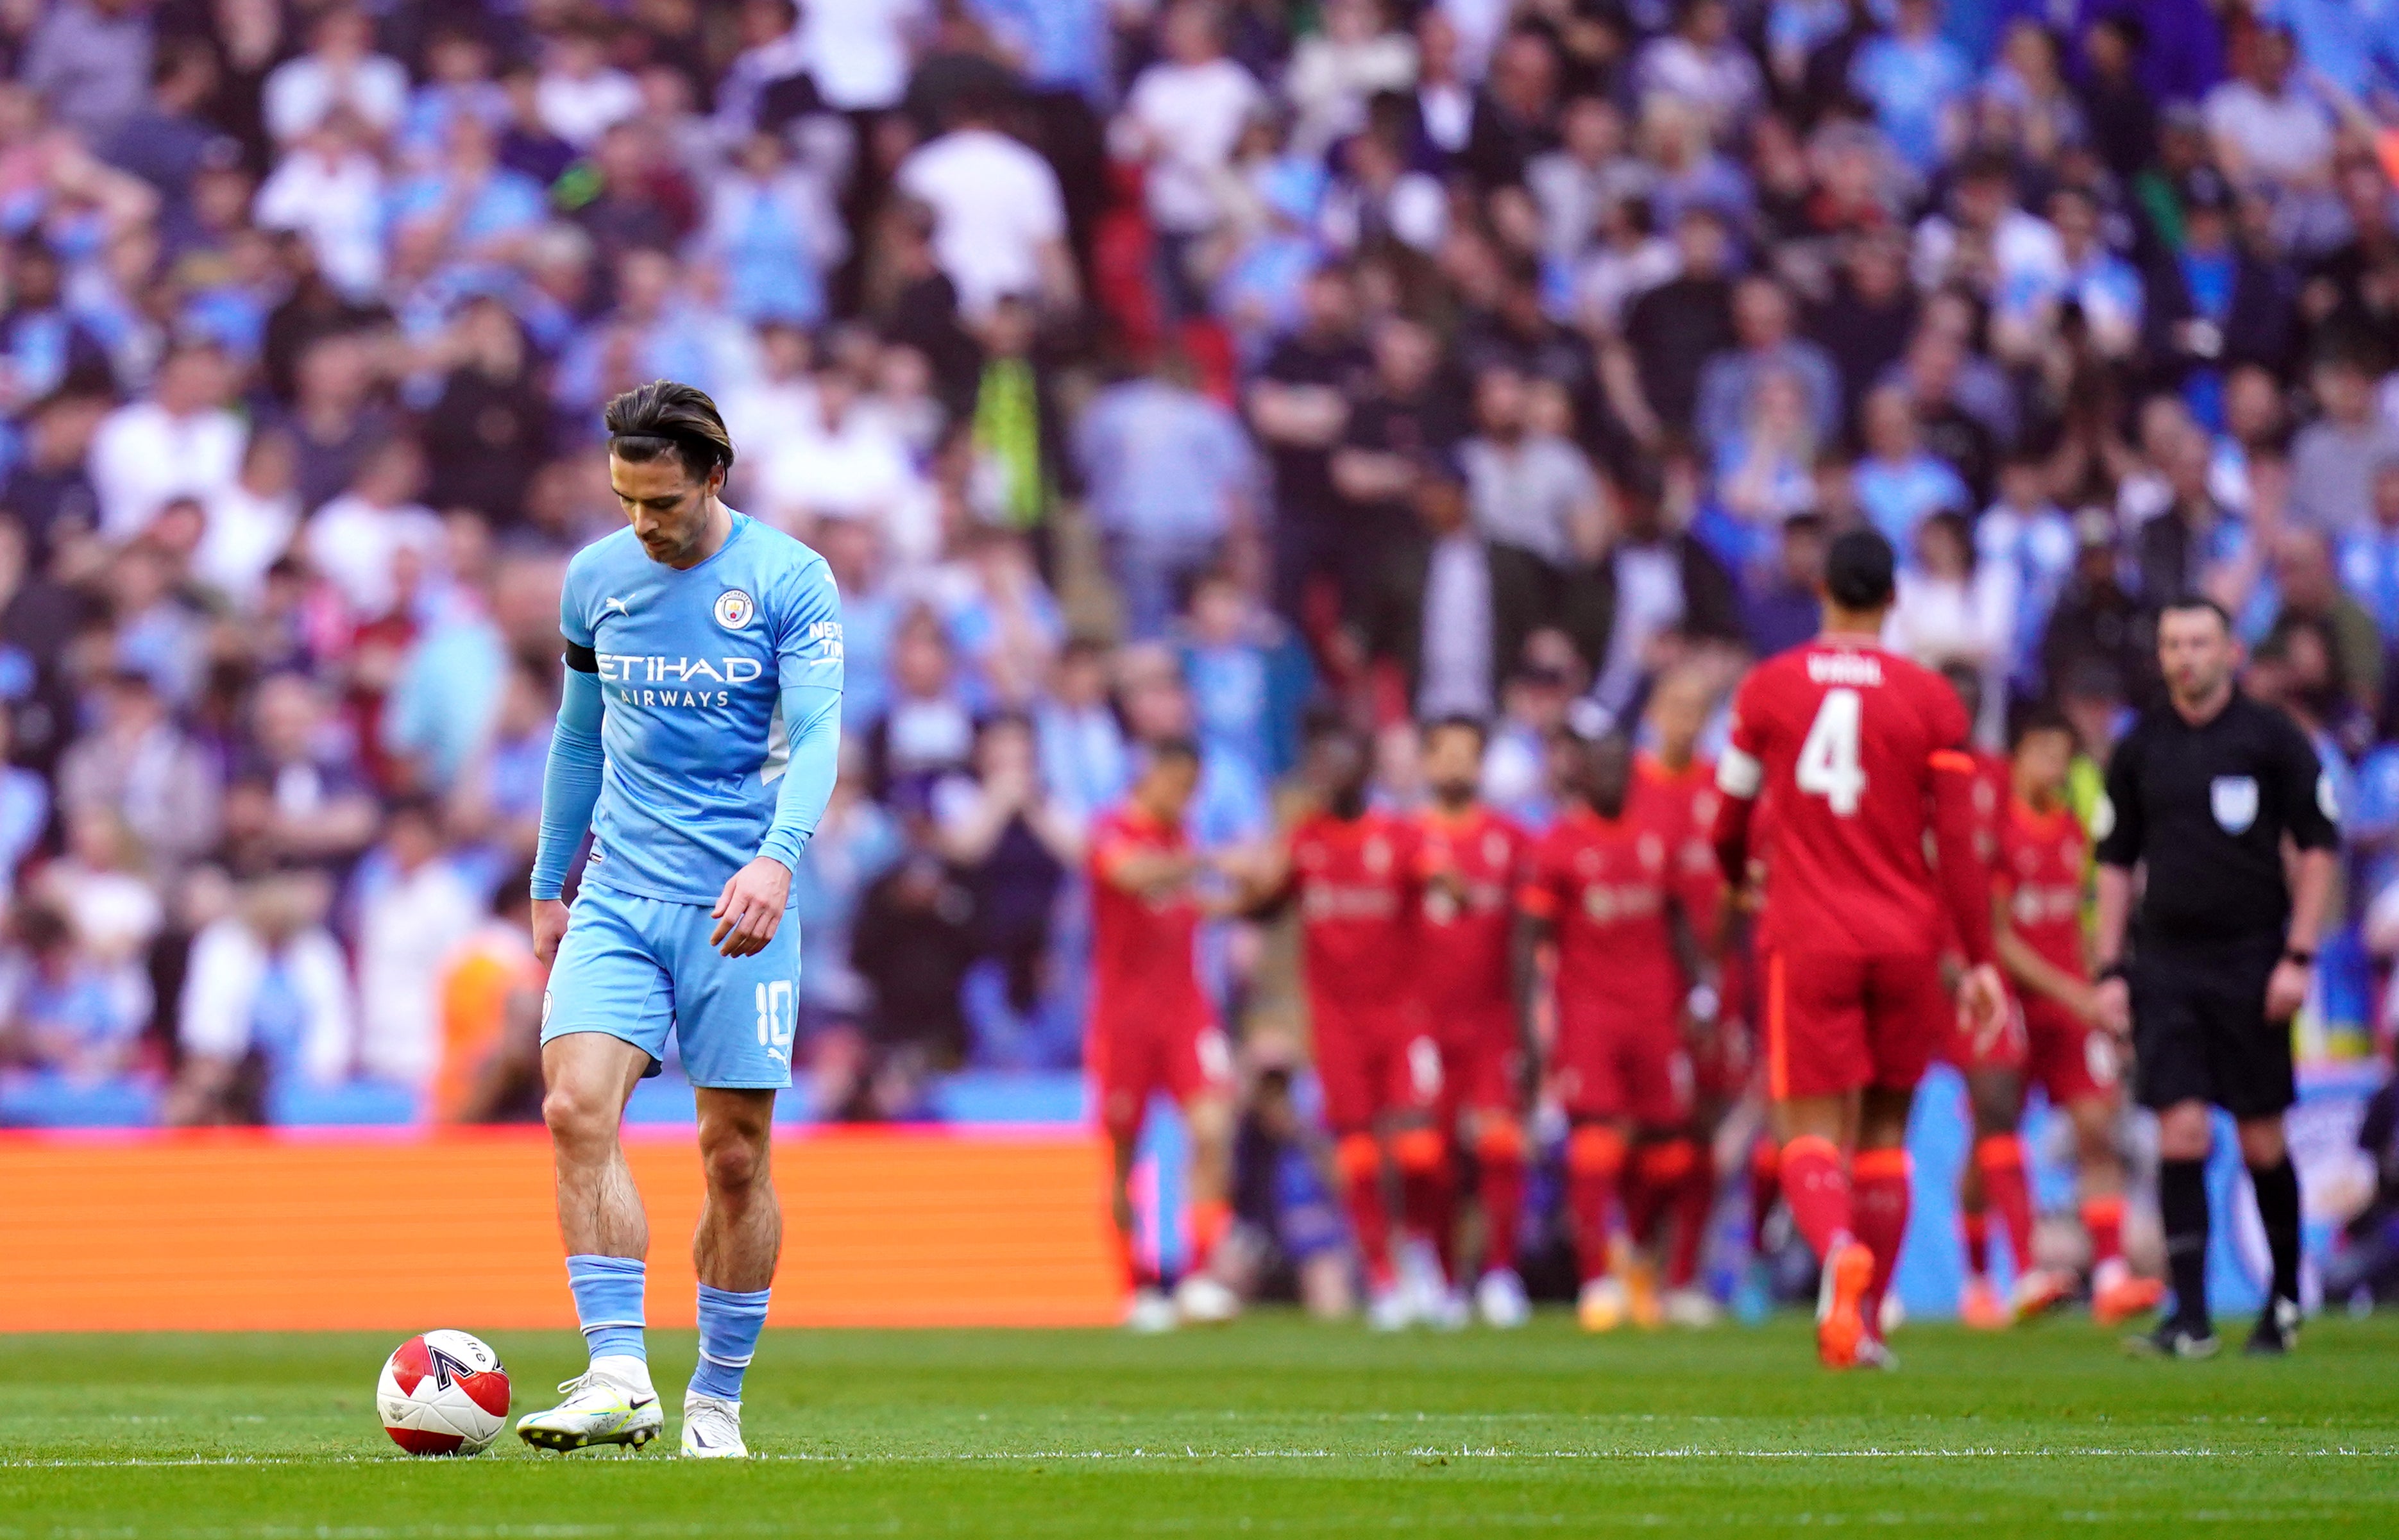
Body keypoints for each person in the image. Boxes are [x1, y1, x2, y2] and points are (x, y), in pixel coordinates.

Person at [518, 381, 843, 1459]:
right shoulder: (596, 581)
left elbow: (819, 740)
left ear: (714, 476)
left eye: (661, 503)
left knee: (735, 1155)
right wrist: (548, 882)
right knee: (574, 1107)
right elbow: (577, 739)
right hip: (616, 894)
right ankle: (619, 1373)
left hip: (736, 906)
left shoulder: (790, 580)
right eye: (626, 502)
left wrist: (776, 863)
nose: (643, 525)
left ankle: (716, 1396)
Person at [1708, 527, 2005, 1369]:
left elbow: (1727, 818)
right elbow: (1958, 844)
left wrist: (1738, 875)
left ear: (1823, 592)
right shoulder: (1932, 699)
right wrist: (1979, 960)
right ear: (1894, 600)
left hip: (1809, 932)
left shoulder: (1769, 688)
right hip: (1906, 937)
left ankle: (1838, 1250)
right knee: (1884, 1132)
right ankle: (1866, 1323)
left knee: (1803, 1125)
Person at [2093, 597, 2338, 1359]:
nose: (2183, 656)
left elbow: (2319, 847)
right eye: (2171, 643)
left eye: (2197, 642)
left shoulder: (2270, 739)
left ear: (2228, 652)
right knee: (2180, 1128)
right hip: (2163, 964)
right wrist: (2107, 968)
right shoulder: (2139, 748)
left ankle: (2283, 1299)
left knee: (2261, 1136)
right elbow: (2112, 862)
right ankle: (2189, 1316)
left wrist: (2297, 956)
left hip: (2251, 959)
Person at [1237, 715, 1450, 1329]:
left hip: (1402, 1016)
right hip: (1337, 1022)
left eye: (1339, 764)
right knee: (1356, 1152)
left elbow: (1437, 882)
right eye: (1321, 767)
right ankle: (1384, 1277)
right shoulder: (1306, 840)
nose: (1328, 778)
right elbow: (1266, 905)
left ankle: (1422, 1256)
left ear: (1364, 769)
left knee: (1417, 1148)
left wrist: (1449, 886)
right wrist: (1235, 890)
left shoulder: (1400, 836)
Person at [1519, 729, 1704, 1333]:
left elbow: (1678, 917)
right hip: (1590, 1013)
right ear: (1581, 775)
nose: (1611, 778)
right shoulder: (1560, 845)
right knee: (1594, 1141)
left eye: (1620, 766)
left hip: (1655, 1010)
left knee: (1669, 1152)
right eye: (1599, 767)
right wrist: (1531, 1022)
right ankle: (1597, 1277)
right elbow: (1530, 938)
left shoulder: (1658, 835)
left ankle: (1640, 1263)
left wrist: (1700, 991)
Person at [1993, 707, 2164, 1327]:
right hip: (2012, 1003)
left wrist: (2100, 982)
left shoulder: (2070, 829)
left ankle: (2114, 1273)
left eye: (2062, 754)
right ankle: (1996, 1276)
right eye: (2040, 751)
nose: (2054, 766)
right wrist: (2072, 991)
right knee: (1995, 1134)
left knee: (2097, 1126)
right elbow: (2000, 937)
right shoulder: (1998, 831)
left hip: (2071, 1005)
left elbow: (2074, 921)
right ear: (2014, 756)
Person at [1086, 738, 1241, 1331]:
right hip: (1123, 1019)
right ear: (1151, 776)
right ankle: (1139, 1284)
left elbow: (1194, 903)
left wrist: (1253, 891)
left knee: (1213, 1128)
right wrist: (1210, 864)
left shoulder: (1182, 838)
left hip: (1185, 1009)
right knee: (1125, 1157)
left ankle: (1198, 1275)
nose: (1186, 799)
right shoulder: (1111, 831)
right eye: (1179, 785)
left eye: (1193, 788)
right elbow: (1130, 875)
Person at [1929, 664, 2051, 1332]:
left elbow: (2009, 870)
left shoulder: (1998, 776)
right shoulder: (1905, 772)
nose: (1963, 711)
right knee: (1867, 1117)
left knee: (1995, 1104)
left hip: (1980, 964)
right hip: (1911, 962)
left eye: (1973, 700)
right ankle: (1866, 1275)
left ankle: (2014, 1269)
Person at [1411, 715, 1534, 1328]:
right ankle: (1441, 1276)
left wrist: (1535, 1017)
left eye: (1468, 754)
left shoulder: (1511, 840)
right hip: (1425, 1023)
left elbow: (1527, 939)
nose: (1456, 766)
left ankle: (1501, 1273)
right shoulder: (1405, 840)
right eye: (1446, 754)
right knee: (1430, 1155)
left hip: (1492, 1021)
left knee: (1500, 1146)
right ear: (1425, 764)